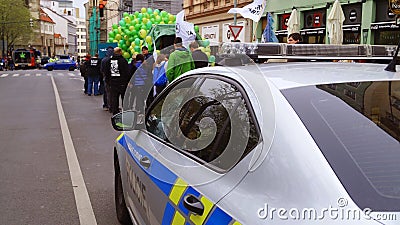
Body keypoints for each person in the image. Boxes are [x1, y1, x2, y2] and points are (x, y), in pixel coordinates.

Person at [104, 47, 131, 115]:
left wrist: (108, 81)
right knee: (124, 98)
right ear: (120, 52)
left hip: (113, 82)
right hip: (122, 82)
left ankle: (115, 112)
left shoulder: (109, 61)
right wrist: (128, 81)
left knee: (114, 98)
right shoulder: (123, 60)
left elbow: (106, 72)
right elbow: (126, 72)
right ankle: (125, 111)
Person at [100, 46, 114, 111]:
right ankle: (112, 105)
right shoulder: (113, 59)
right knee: (112, 93)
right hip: (113, 78)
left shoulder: (103, 59)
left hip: (105, 77)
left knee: (106, 92)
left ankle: (106, 104)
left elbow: (101, 70)